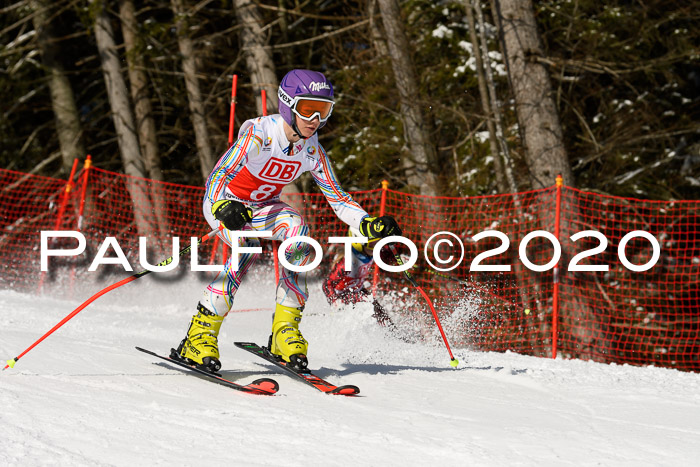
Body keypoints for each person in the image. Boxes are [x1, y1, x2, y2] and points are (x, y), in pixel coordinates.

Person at [174, 69, 401, 373]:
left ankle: (284, 331)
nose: (315, 119)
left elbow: (338, 198)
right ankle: (200, 334)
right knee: (246, 248)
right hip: (228, 205)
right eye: (308, 109)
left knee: (300, 235)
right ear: (287, 104)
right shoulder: (259, 134)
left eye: (324, 111)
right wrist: (221, 205)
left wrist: (368, 223)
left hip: (265, 208)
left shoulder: (312, 149)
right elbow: (220, 174)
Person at [322, 226, 394, 327]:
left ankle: (392, 332)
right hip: (343, 296)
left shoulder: (369, 252)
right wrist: (334, 300)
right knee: (368, 301)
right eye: (373, 244)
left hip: (358, 290)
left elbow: (386, 255)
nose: (377, 247)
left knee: (379, 310)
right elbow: (327, 284)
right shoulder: (347, 261)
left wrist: (399, 261)